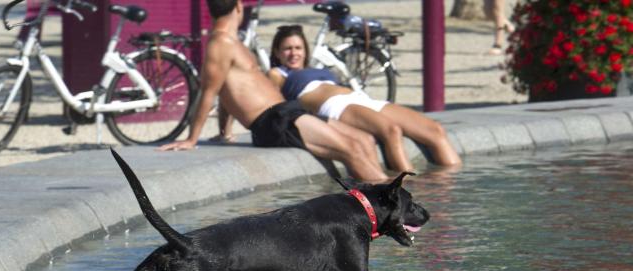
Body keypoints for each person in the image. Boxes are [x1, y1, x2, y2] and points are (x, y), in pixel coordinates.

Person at [158, 0, 388, 182]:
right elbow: (209, 91)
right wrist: (191, 139)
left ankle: (372, 195)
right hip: (273, 121)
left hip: (287, 113)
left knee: (363, 139)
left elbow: (227, 91)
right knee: (351, 149)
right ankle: (389, 205)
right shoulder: (221, 43)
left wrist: (223, 131)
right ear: (239, 6)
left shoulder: (230, 41)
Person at [265, 25, 462, 167]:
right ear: (277, 52)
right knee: (391, 131)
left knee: (435, 131)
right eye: (287, 48)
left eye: (298, 48)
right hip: (334, 105)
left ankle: (450, 193)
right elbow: (270, 103)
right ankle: (406, 196)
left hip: (360, 99)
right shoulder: (277, 73)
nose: (293, 53)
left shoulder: (315, 69)